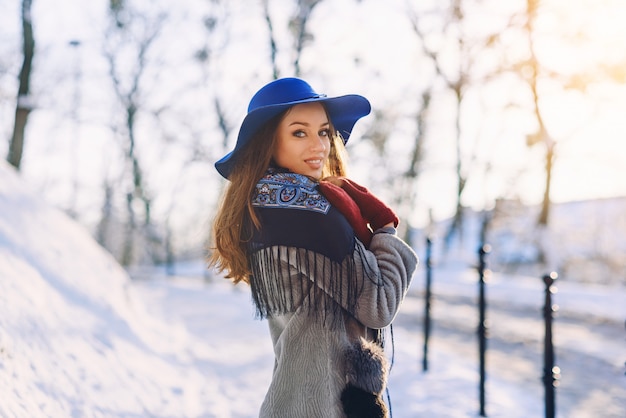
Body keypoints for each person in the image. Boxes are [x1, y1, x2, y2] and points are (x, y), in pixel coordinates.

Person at [209, 77, 418, 418]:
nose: (318, 145)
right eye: (299, 132)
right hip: (325, 404)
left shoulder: (264, 203)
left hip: (297, 399)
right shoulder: (306, 209)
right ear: (268, 142)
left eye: (323, 131)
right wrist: (385, 228)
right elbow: (378, 305)